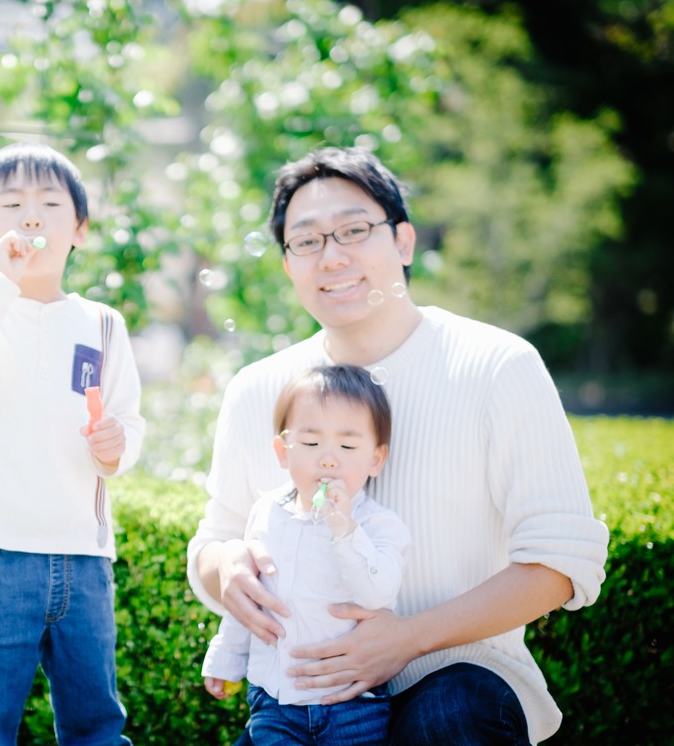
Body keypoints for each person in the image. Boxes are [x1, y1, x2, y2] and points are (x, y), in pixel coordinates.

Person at [187, 146, 609, 745]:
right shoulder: (258, 389)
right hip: (310, 704)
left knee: (447, 712)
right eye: (306, 241)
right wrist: (224, 568)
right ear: (287, 264)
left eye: (355, 230)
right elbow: (215, 539)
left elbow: (563, 564)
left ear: (404, 242)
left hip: (455, 684)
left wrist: (406, 639)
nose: (332, 256)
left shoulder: (495, 365)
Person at [0, 141, 145, 746]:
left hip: (85, 556)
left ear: (81, 228)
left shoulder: (102, 324)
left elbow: (128, 422)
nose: (32, 217)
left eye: (50, 203)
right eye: (11, 204)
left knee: (97, 725)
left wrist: (117, 446)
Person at [202, 364, 410, 745]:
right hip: (276, 700)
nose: (329, 459)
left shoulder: (381, 526)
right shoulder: (265, 513)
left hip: (353, 704)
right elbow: (249, 597)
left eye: (347, 447)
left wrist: (345, 531)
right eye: (311, 444)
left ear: (376, 459)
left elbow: (378, 595)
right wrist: (225, 657)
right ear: (283, 451)